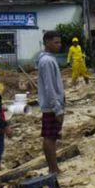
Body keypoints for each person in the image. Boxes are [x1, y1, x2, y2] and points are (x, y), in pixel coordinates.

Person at [38, 31, 67, 175]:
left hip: (53, 105)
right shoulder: (47, 61)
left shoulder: (49, 59)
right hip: (51, 107)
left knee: (53, 136)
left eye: (59, 42)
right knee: (49, 137)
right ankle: (53, 168)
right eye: (56, 42)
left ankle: (54, 167)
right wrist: (57, 108)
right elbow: (49, 87)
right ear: (47, 43)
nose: (59, 45)